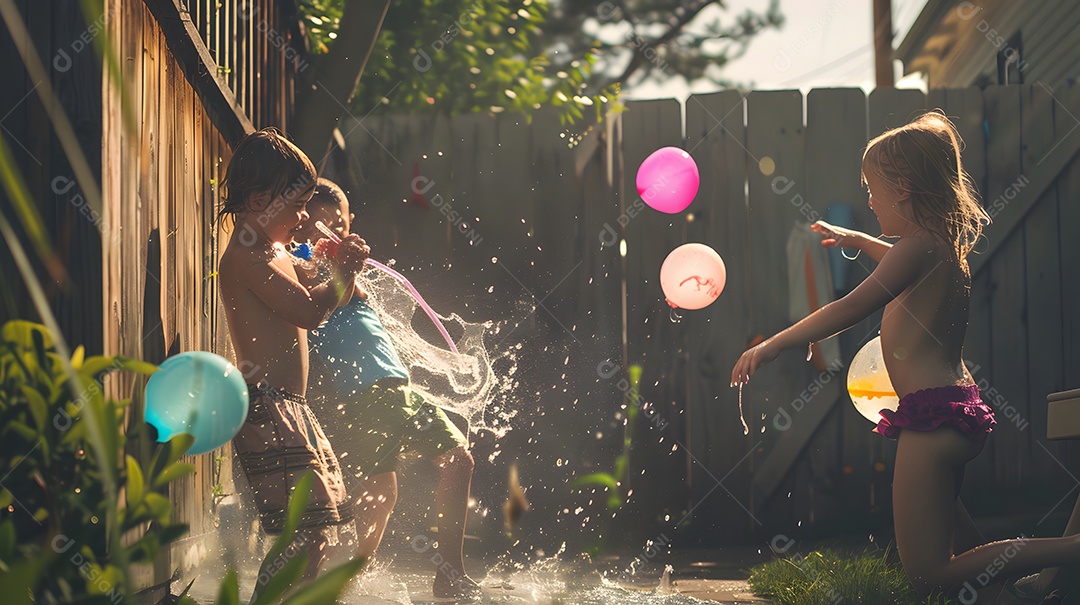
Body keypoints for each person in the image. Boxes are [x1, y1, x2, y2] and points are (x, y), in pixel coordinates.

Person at [731, 111, 1080, 600]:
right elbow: (899, 262)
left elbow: (851, 306)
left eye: (873, 189)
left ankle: (1071, 551)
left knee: (929, 573)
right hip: (954, 412)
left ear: (904, 188)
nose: (869, 200)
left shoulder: (916, 250)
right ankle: (1008, 595)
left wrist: (774, 344)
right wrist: (858, 241)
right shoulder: (941, 249)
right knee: (963, 548)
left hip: (930, 424)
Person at [292, 179, 480, 601]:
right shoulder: (302, 261)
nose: (330, 235)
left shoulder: (341, 265)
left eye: (338, 226)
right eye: (319, 226)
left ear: (349, 222)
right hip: (370, 393)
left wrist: (346, 260)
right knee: (449, 464)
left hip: (387, 390)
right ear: (302, 225)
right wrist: (337, 261)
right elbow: (318, 300)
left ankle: (341, 575)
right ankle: (441, 575)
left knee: (385, 492)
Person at [217, 129, 369, 596]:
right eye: (298, 204)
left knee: (316, 532)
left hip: (291, 410)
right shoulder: (244, 256)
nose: (305, 217)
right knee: (303, 533)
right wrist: (339, 277)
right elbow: (307, 310)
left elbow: (338, 294)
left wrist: (336, 267)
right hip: (267, 409)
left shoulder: (276, 250)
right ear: (261, 198)